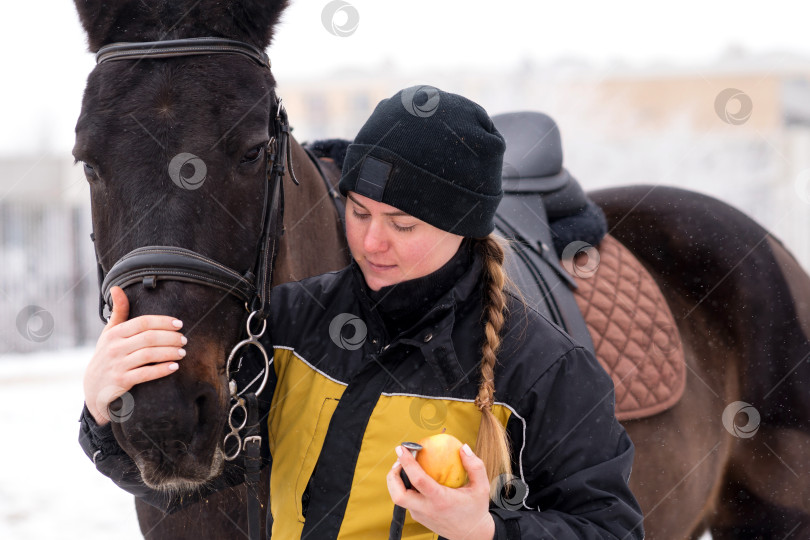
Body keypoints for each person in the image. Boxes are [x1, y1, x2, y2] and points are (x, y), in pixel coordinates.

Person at [79, 86, 644, 539]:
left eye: (403, 225)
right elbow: (193, 478)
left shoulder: (545, 369)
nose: (372, 242)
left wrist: (484, 531)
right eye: (359, 211)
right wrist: (108, 411)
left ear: (464, 229)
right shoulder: (287, 326)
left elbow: (610, 529)